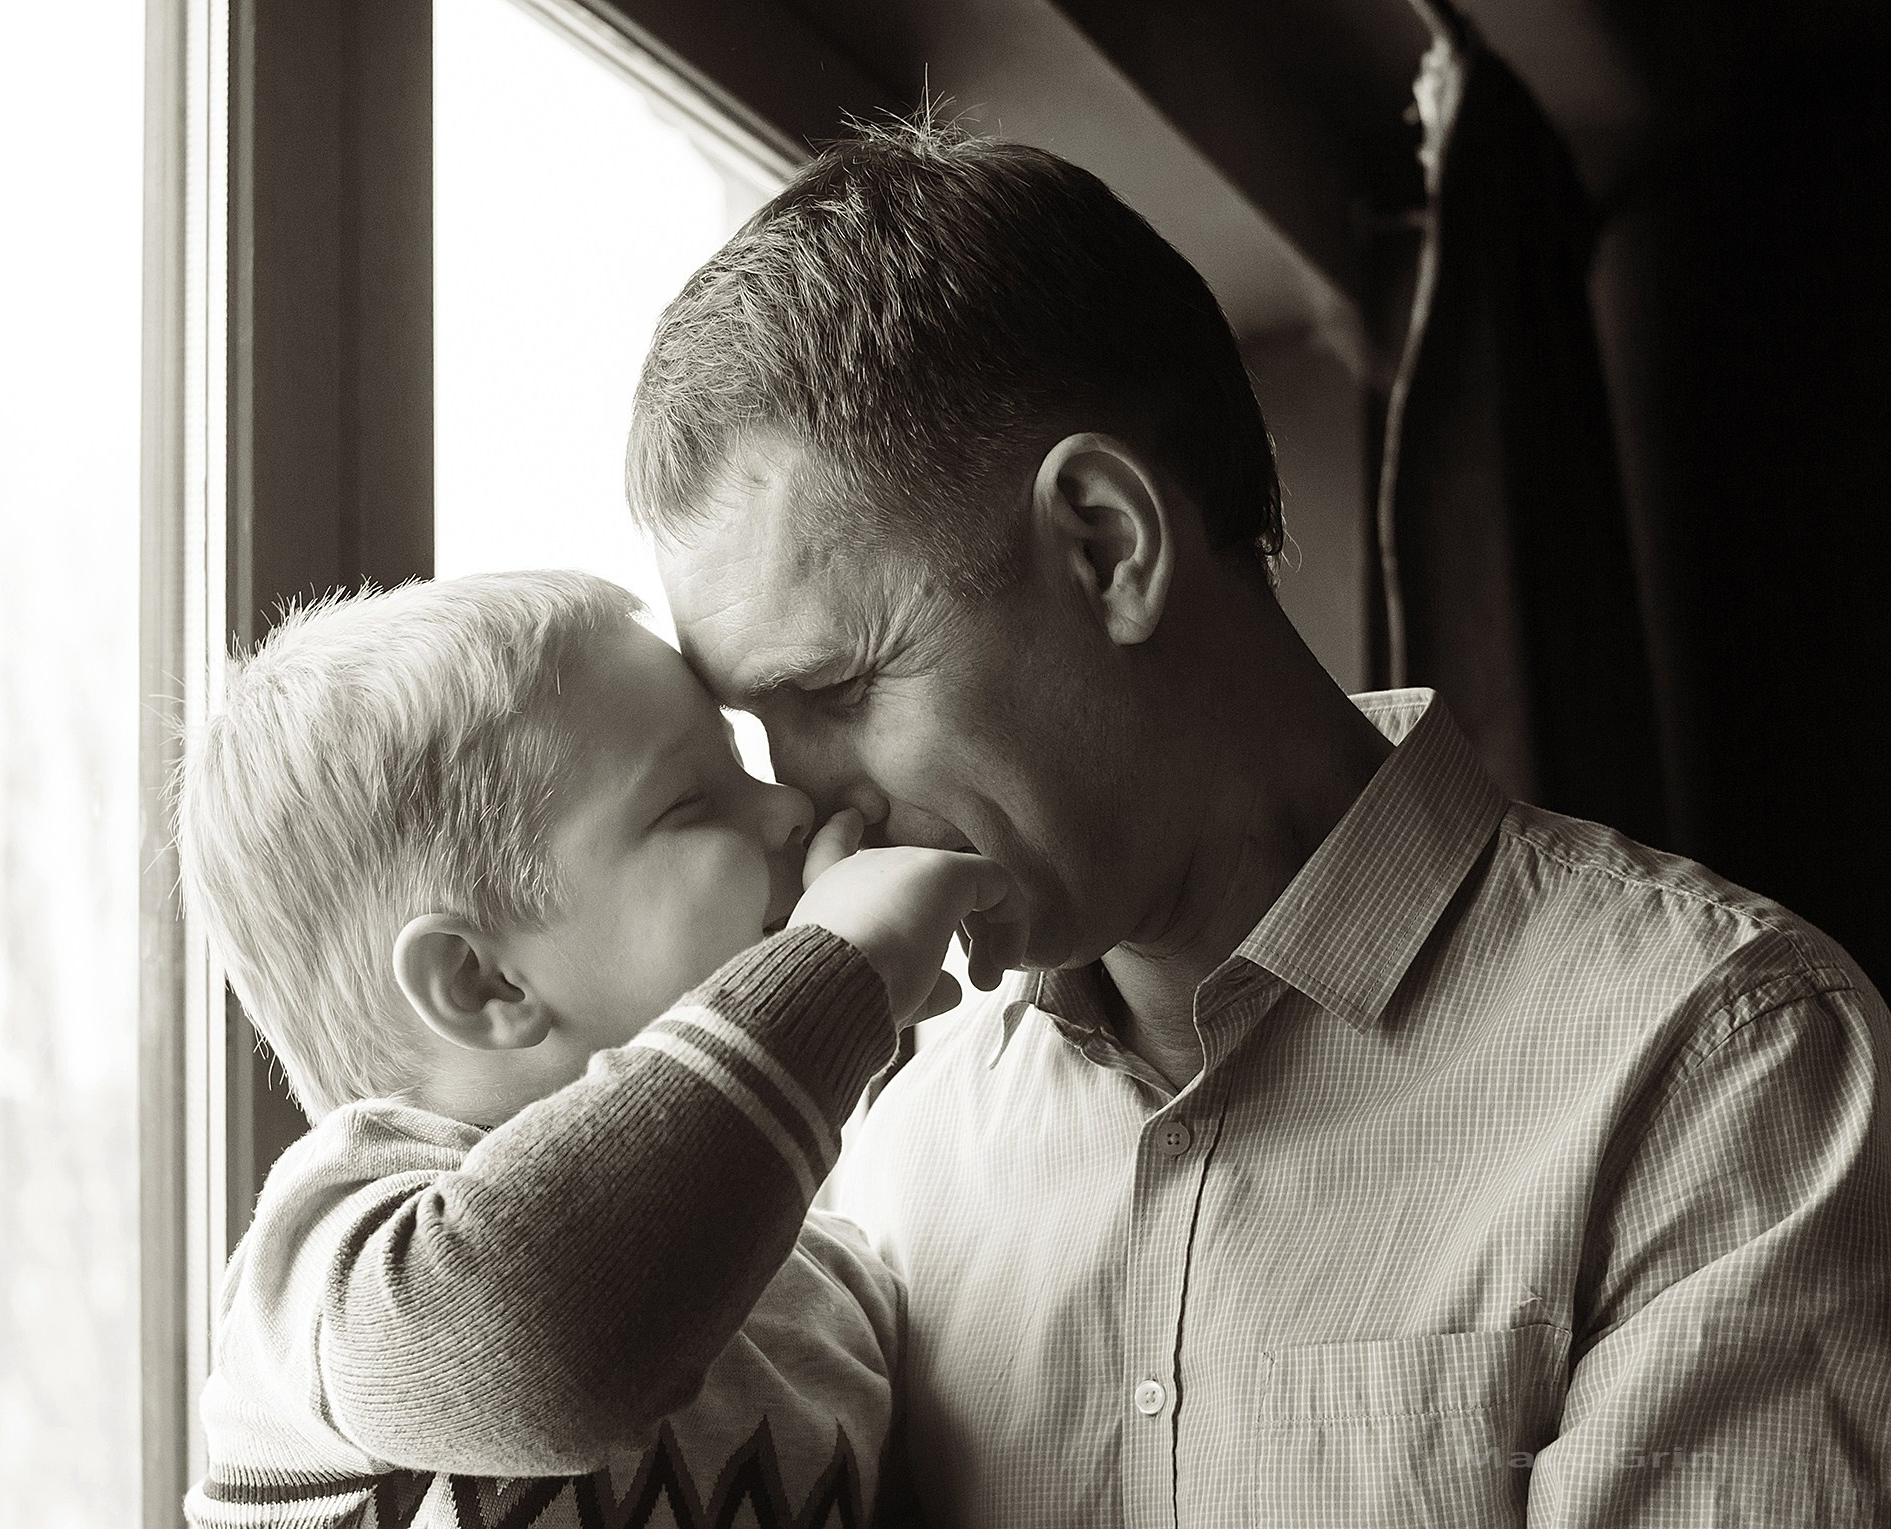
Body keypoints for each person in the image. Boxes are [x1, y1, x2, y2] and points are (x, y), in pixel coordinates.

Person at [633, 118, 1891, 1526]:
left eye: (837, 690)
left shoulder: (1715, 1062)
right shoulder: (890, 1159)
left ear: (1106, 545)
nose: (804, 806)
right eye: (756, 730)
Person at [173, 570, 1023, 1527]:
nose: (789, 804)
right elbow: (537, 1349)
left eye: (742, 766)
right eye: (690, 801)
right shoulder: (334, 1267)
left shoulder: (838, 1294)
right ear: (483, 983)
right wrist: (827, 976)